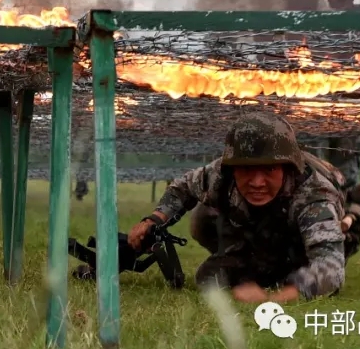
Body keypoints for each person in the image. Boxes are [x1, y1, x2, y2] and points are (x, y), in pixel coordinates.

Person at [127, 113, 347, 304]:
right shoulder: (220, 175)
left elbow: (330, 267)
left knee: (294, 270)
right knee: (208, 271)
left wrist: (279, 296)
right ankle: (255, 261)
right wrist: (154, 220)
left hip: (299, 242)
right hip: (254, 230)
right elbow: (181, 188)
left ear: (287, 168)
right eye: (246, 170)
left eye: (269, 170)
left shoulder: (314, 195)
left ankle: (282, 268)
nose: (257, 182)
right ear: (232, 168)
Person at [317, 0, 360, 191]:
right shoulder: (330, 23)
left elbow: (358, 57)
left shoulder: (359, 23)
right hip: (326, 103)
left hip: (349, 104)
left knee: (345, 174)